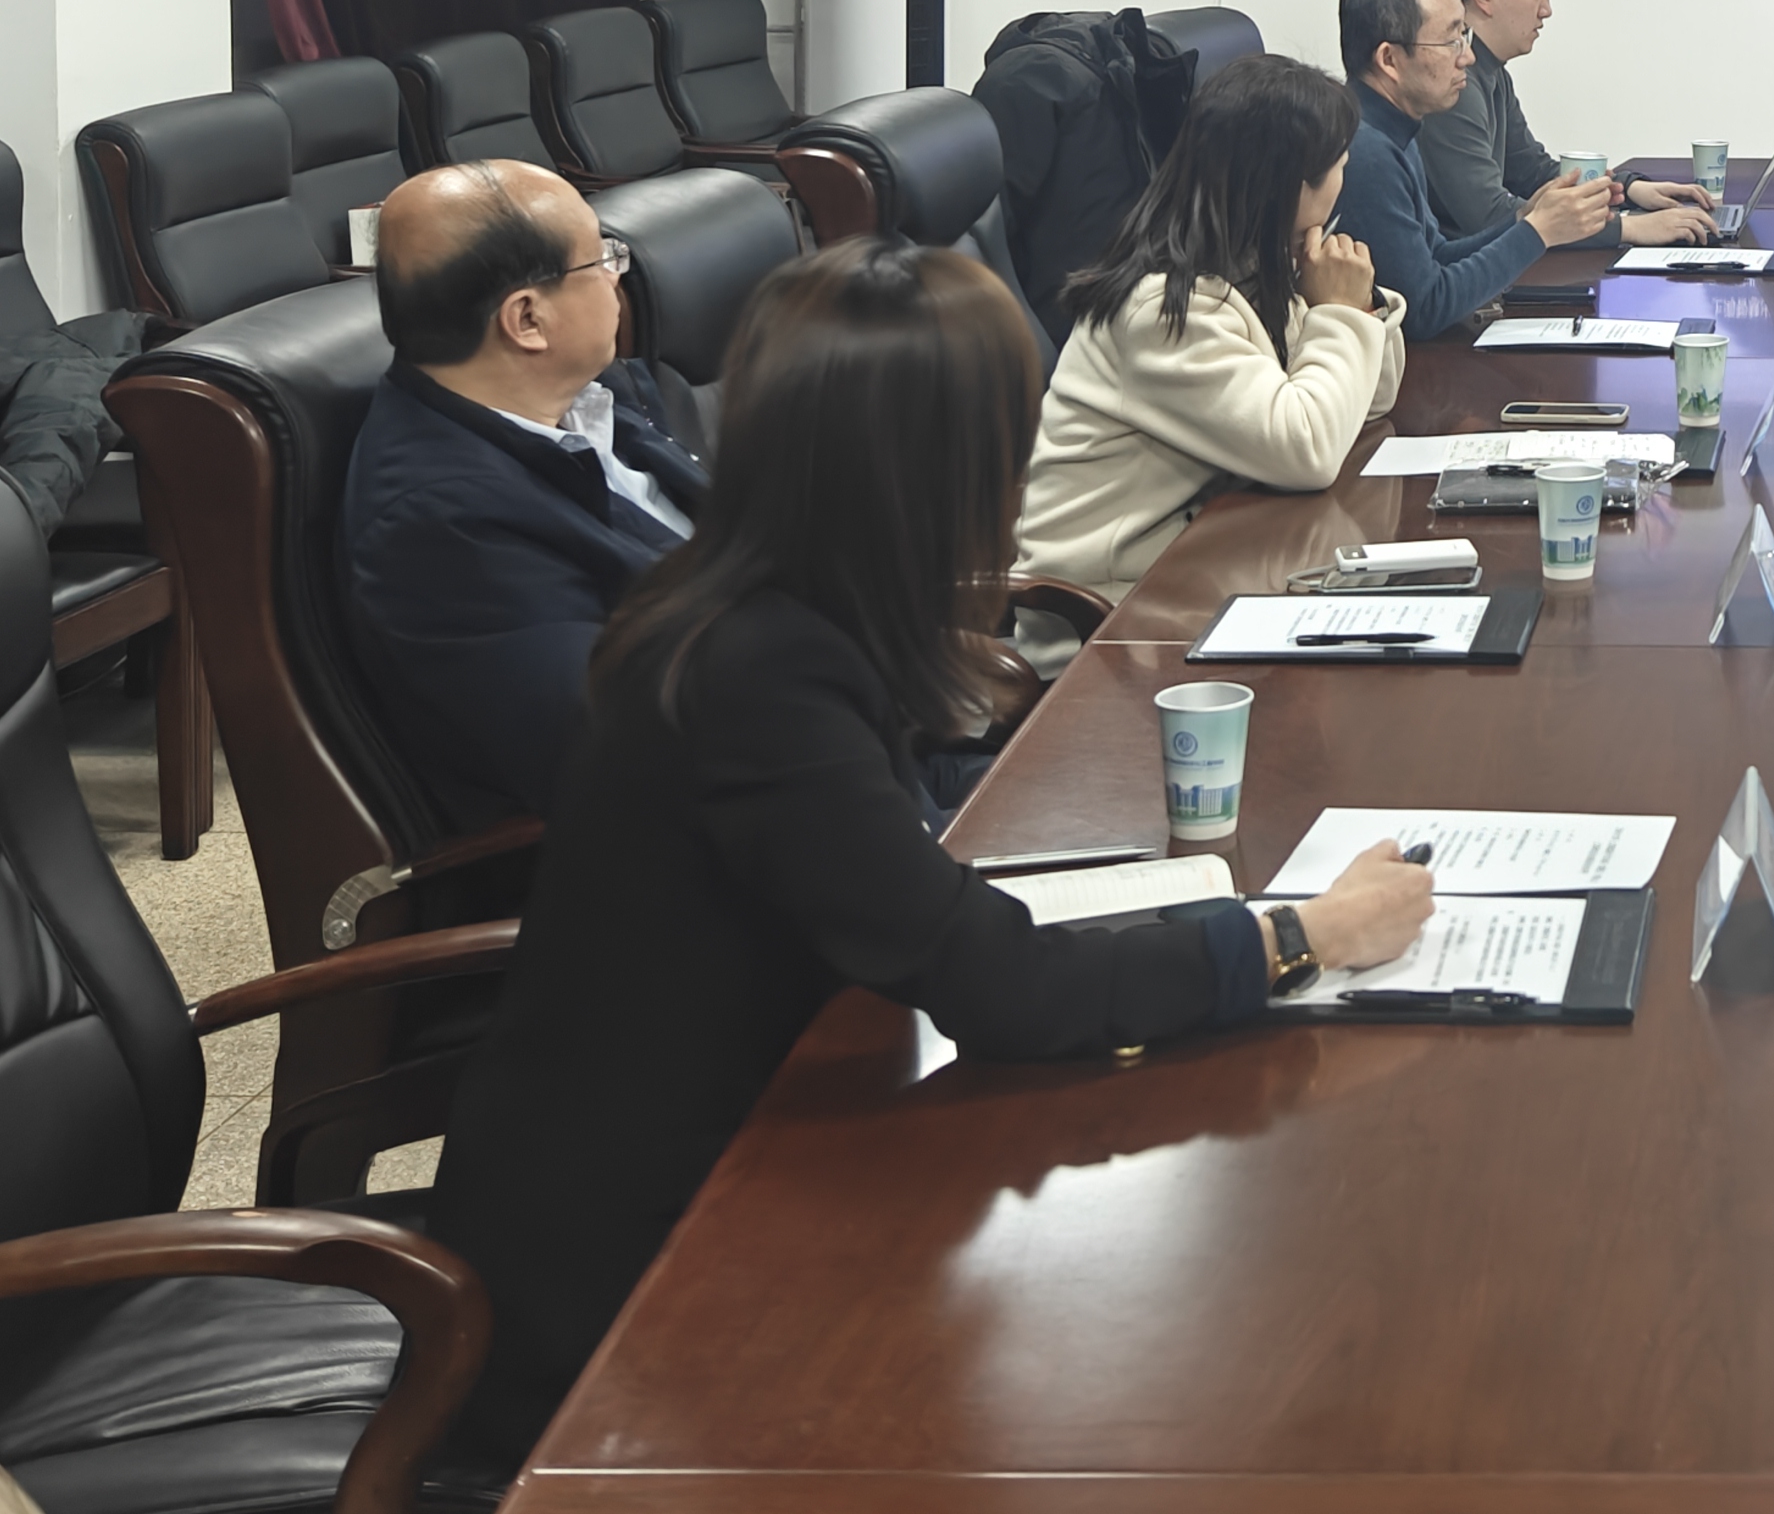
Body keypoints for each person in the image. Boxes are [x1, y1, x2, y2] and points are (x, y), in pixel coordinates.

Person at [427, 240, 1438, 1467]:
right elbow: (997, 990)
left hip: (768, 1131)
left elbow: (902, 884)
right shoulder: (758, 675)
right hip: (636, 1290)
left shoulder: (758, 605)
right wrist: (1296, 937)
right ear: (938, 464)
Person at [339, 160, 706, 829]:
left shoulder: (592, 396)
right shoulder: (447, 525)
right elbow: (621, 762)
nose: (616, 277)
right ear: (528, 318)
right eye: (600, 259)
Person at [1013, 54, 1409, 593]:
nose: (1346, 179)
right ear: (1291, 185)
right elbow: (1309, 450)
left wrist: (1357, 307)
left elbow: (1365, 405)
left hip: (1207, 563)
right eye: (1341, 164)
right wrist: (1337, 312)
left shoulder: (1253, 262)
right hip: (1115, 613)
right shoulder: (1162, 306)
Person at [1332, 0, 1613, 338]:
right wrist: (1538, 232)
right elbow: (1424, 308)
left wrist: (1526, 217)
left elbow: (1438, 256)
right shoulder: (1366, 152)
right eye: (1451, 41)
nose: (1467, 56)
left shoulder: (1396, 128)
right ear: (1390, 60)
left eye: (1464, 35)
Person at [1422, 0, 1716, 250]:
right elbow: (1490, 216)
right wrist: (1628, 229)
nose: (1546, 9)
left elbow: (1532, 173)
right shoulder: (1452, 83)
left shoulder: (1491, 71)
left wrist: (1628, 189)